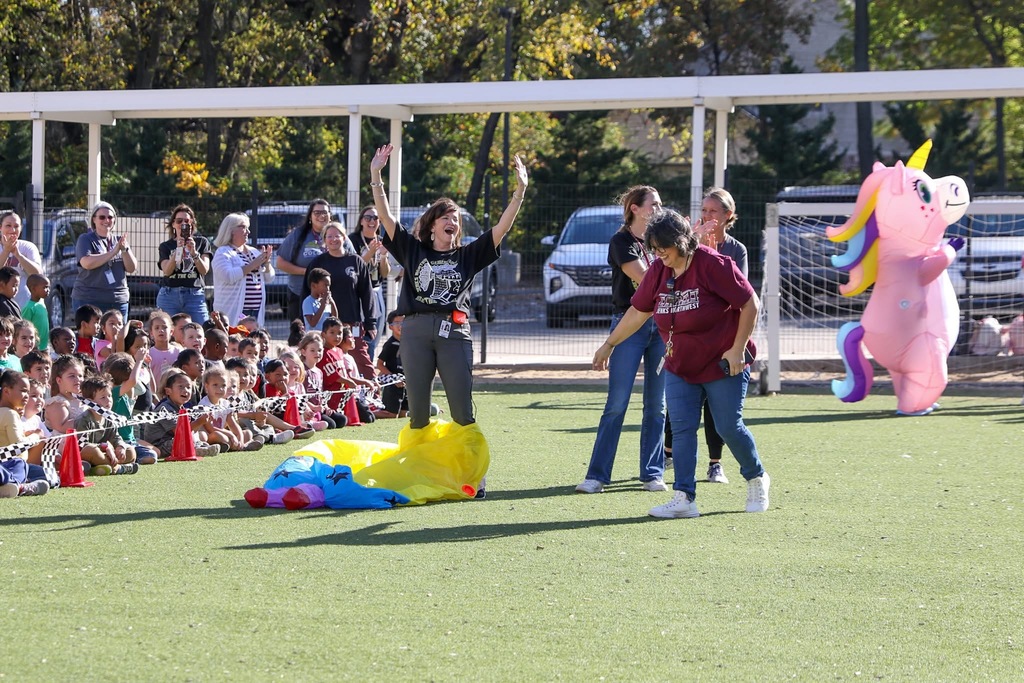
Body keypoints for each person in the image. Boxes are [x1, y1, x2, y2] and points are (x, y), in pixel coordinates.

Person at [592, 208, 770, 518]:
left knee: (728, 426)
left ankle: (756, 476)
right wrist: (610, 344)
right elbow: (637, 312)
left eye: (664, 248)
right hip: (679, 364)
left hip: (722, 362)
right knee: (683, 429)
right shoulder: (659, 271)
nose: (659, 255)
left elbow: (749, 302)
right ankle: (684, 497)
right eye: (655, 250)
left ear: (682, 241)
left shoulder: (714, 264)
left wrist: (738, 348)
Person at [368, 143, 527, 486]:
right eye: (446, 218)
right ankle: (419, 471)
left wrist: (520, 193)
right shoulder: (413, 249)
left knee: (461, 409)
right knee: (419, 411)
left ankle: (473, 474)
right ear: (431, 225)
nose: (452, 222)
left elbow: (502, 228)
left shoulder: (469, 255)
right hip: (414, 332)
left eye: (455, 219)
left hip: (454, 334)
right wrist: (375, 175)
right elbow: (384, 216)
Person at [574, 185, 667, 494]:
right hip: (629, 324)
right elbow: (648, 279)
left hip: (662, 326)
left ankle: (653, 473)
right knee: (617, 403)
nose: (658, 208)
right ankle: (597, 476)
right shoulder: (621, 242)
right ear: (635, 208)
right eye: (653, 204)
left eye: (659, 203)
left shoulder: (661, 240)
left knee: (657, 405)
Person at [685, 186, 749, 484]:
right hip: (692, 335)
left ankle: (715, 463)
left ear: (727, 215)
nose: (707, 216)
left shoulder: (736, 250)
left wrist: (713, 255)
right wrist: (697, 245)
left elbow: (740, 295)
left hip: (722, 338)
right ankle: (669, 457)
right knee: (682, 400)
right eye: (704, 210)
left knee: (718, 408)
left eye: (713, 211)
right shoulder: (690, 242)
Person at [301, 222, 376, 378]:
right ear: (324, 240)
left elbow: (367, 293)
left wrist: (370, 322)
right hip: (325, 327)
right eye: (329, 236)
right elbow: (306, 293)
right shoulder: (318, 263)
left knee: (361, 362)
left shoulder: (356, 261)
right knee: (327, 366)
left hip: (351, 322)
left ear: (344, 237)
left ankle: (372, 398)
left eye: (337, 235)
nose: (333, 239)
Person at [71, 201, 136, 320]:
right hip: (89, 299)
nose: (107, 220)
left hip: (118, 301)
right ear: (94, 220)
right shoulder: (85, 239)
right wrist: (113, 252)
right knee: (92, 337)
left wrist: (124, 249)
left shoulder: (119, 240)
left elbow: (131, 268)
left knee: (117, 338)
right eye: (102, 217)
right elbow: (87, 263)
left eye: (110, 217)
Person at [211, 212, 275, 329]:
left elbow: (269, 278)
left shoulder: (253, 252)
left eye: (248, 228)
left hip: (256, 310)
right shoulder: (223, 252)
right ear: (231, 230)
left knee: (252, 342)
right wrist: (252, 265)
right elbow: (228, 276)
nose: (248, 232)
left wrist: (267, 263)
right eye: (243, 227)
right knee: (238, 340)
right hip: (236, 310)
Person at [275, 199, 332, 322]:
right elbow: (280, 263)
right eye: (317, 213)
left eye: (325, 212)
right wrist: (307, 272)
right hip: (299, 293)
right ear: (310, 216)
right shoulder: (298, 235)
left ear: (330, 216)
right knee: (301, 334)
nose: (321, 216)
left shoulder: (337, 235)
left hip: (330, 296)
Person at [157, 204, 212, 324]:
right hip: (169, 294)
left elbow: (204, 270)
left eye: (187, 221)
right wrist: (177, 252)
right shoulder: (166, 246)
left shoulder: (201, 242)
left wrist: (194, 252)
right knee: (167, 333)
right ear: (173, 224)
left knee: (202, 329)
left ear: (192, 223)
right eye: (179, 221)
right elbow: (167, 271)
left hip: (194, 295)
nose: (183, 224)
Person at [350, 205, 392, 357]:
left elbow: (385, 273)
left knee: (376, 333)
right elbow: (354, 266)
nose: (372, 221)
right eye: (368, 217)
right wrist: (370, 252)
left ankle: (370, 363)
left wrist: (383, 256)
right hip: (359, 293)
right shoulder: (353, 240)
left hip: (376, 290)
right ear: (361, 221)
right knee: (360, 333)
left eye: (375, 218)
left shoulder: (380, 241)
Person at [75, 374, 138, 476]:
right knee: (91, 451)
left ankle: (104, 467)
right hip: (92, 453)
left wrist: (120, 447)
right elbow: (81, 445)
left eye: (109, 396)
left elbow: (115, 437)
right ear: (90, 402)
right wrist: (104, 447)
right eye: (103, 397)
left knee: (130, 451)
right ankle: (118, 468)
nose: (108, 400)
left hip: (107, 454)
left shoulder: (109, 418)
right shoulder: (84, 419)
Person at [0, 370, 49, 497]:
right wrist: (36, 436)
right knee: (19, 464)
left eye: (28, 391)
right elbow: (18, 446)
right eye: (23, 391)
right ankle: (20, 486)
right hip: (9, 464)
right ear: (6, 391)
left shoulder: (10, 413)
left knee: (44, 473)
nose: (26, 395)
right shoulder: (9, 414)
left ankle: (15, 484)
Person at [0, 210, 43, 308]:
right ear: (0, 227)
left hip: (26, 305)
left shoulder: (28, 247)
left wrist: (18, 255)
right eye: (8, 225)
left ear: (21, 228)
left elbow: (38, 274)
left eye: (16, 226)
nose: (13, 230)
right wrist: (6, 251)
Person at [302, 267, 337, 333]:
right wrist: (323, 305)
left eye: (329, 286)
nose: (328, 289)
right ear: (314, 285)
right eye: (325, 285)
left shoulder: (324, 300)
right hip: (314, 338)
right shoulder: (308, 302)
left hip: (325, 337)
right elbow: (312, 323)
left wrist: (332, 302)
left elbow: (335, 319)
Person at [22, 274, 49, 352]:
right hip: (34, 348)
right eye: (45, 287)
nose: (48, 290)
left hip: (44, 346)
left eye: (48, 287)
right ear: (33, 289)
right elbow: (24, 327)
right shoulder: (29, 307)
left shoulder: (41, 303)